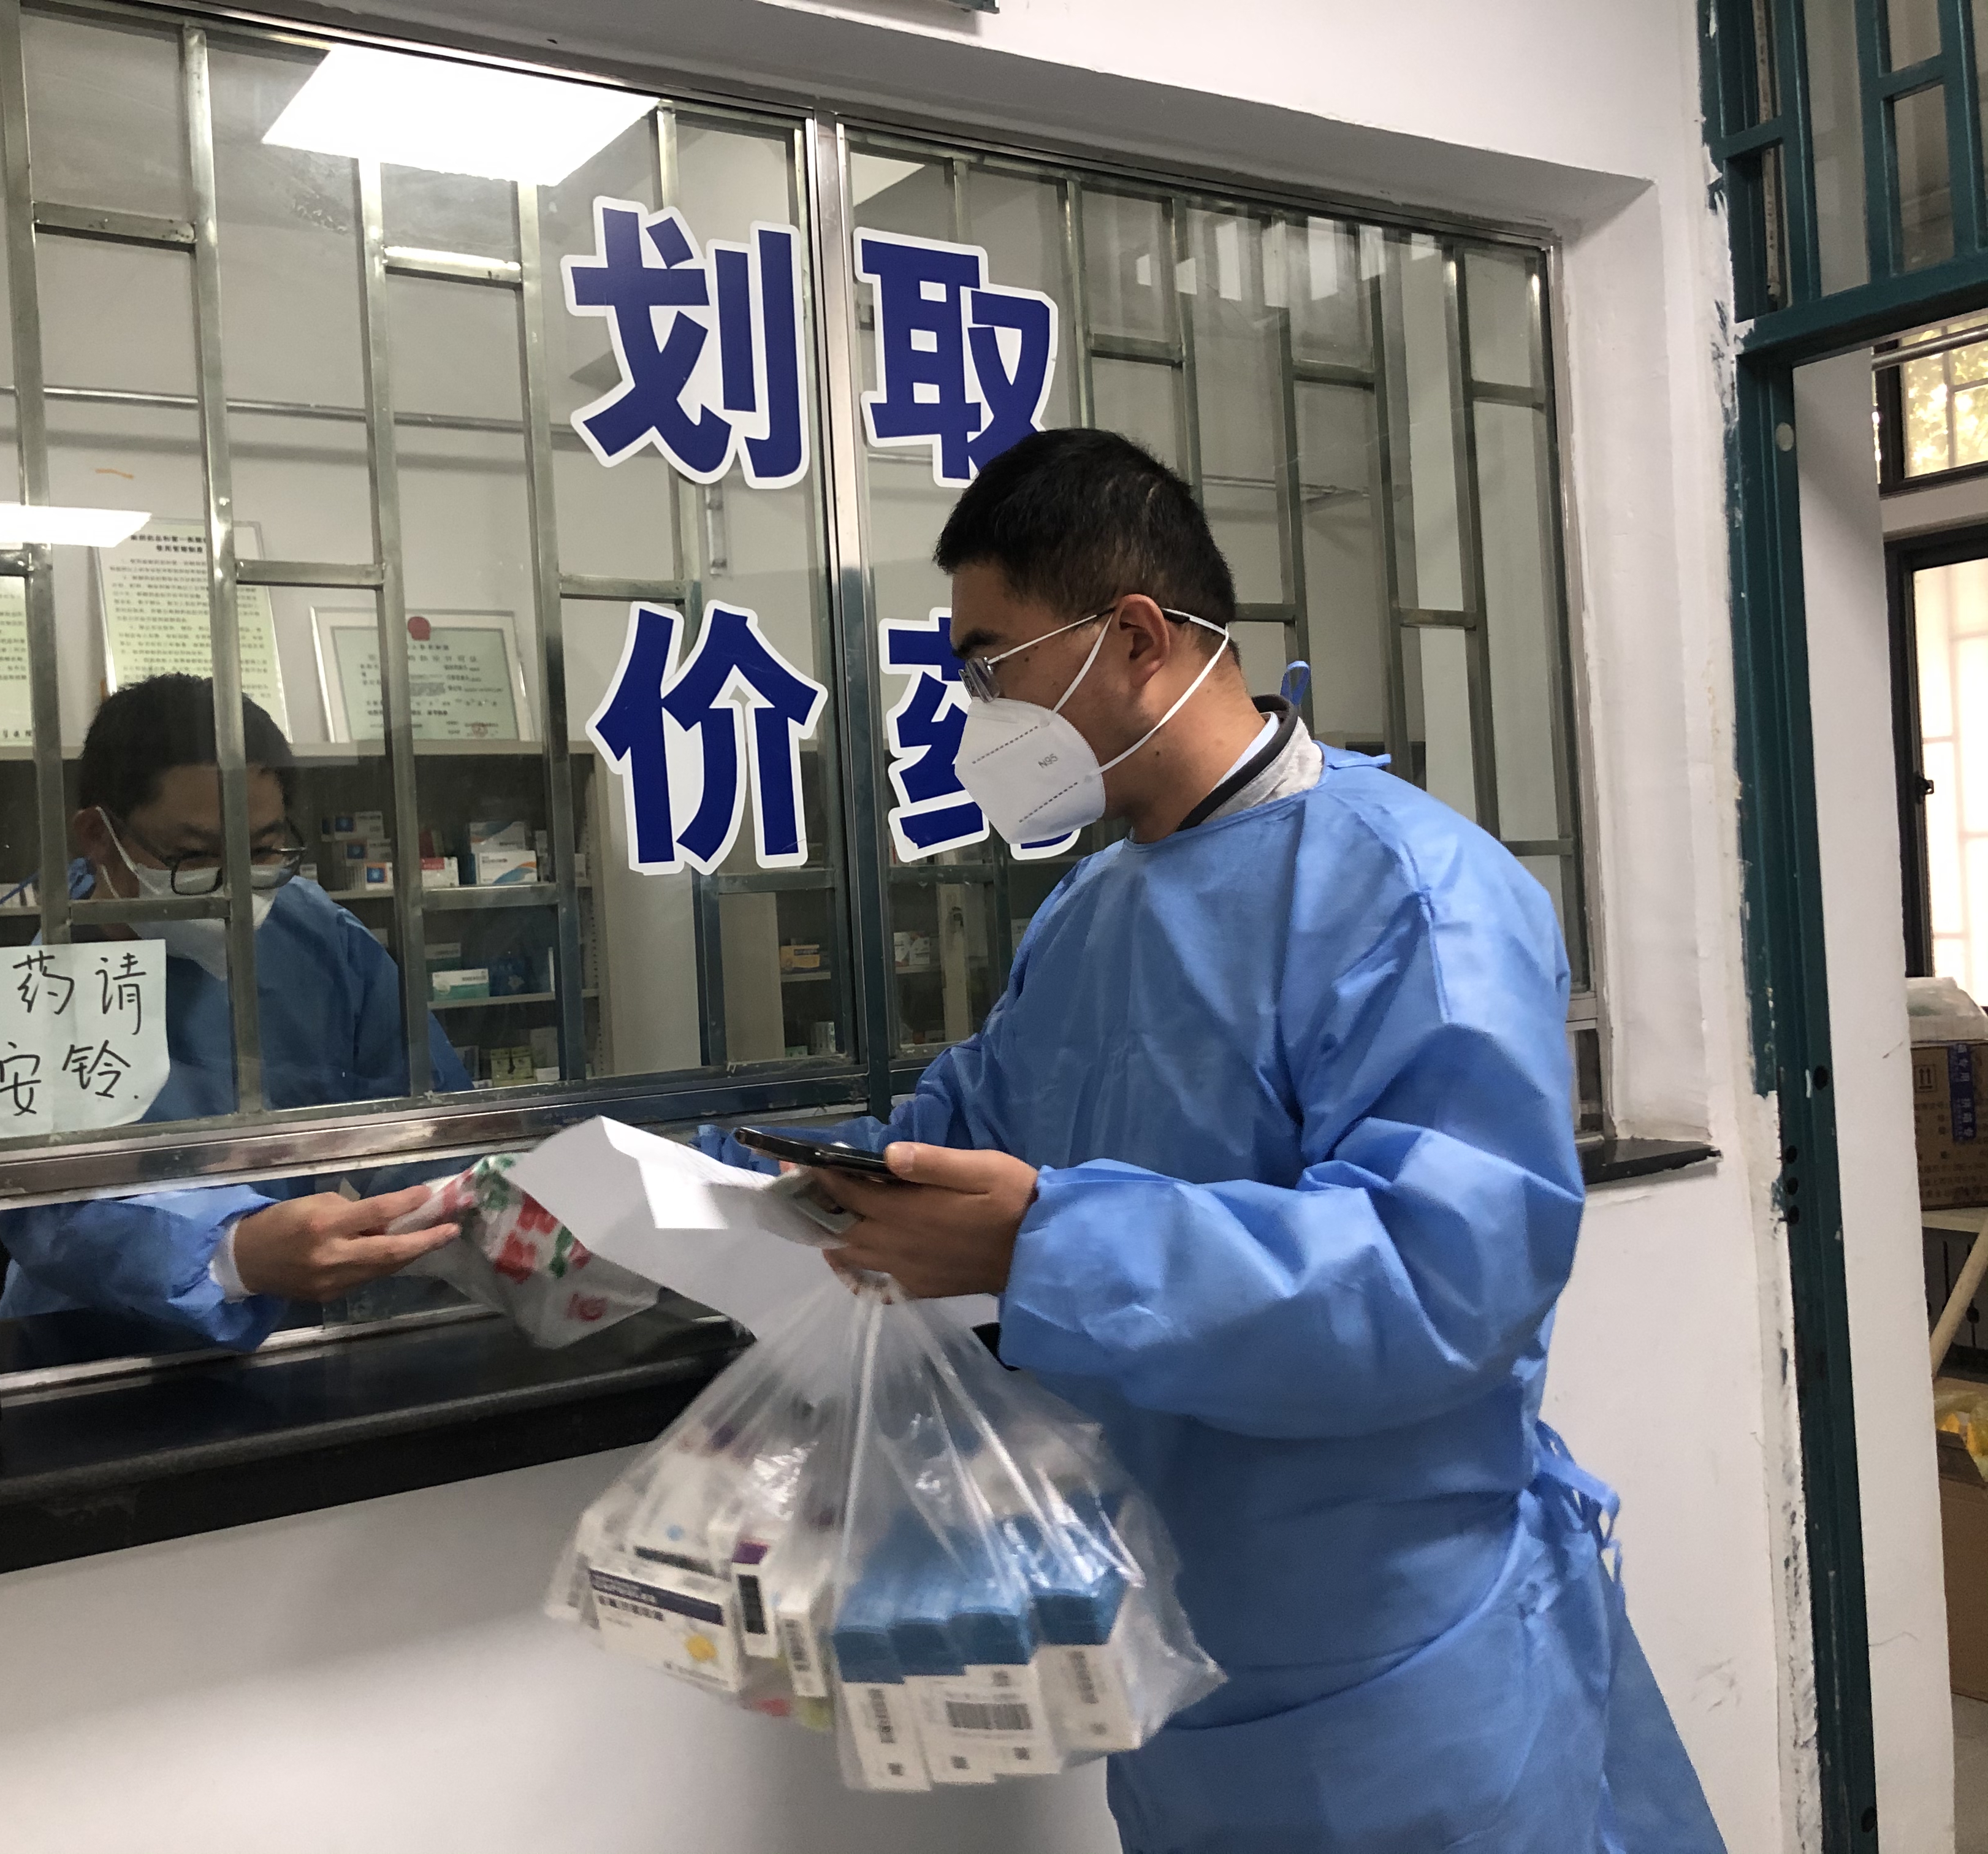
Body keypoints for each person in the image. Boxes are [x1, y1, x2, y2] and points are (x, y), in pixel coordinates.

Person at [706, 429, 1724, 1853]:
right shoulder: (1088, 919)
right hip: (1172, 1650)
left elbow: (1445, 1277)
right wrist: (706, 1184)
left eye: (991, 667)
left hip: (1398, 1666)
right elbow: (955, 1136)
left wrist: (1045, 1243)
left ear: (1134, 636)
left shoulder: (1416, 894)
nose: (974, 716)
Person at [0, 674, 470, 1349]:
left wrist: (477, 1206)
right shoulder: (31, 993)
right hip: (89, 1349)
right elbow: (48, 1213)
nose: (239, 890)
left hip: (287, 1341)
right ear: (99, 835)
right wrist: (230, 1253)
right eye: (195, 856)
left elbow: (422, 1124)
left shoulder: (317, 940)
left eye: (263, 849)